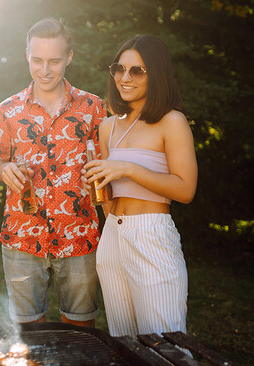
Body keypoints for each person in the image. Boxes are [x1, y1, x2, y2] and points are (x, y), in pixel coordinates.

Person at [0, 18, 106, 327]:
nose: (45, 69)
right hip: (22, 237)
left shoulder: (94, 109)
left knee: (81, 332)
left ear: (69, 57)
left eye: (54, 60)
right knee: (28, 338)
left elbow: (107, 167)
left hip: (79, 237)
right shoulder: (7, 111)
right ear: (27, 55)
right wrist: (5, 169)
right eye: (37, 60)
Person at [83, 34, 197, 337]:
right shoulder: (107, 127)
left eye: (137, 70)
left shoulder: (172, 121)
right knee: (125, 343)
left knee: (164, 343)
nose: (125, 77)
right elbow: (107, 200)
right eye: (119, 69)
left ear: (156, 74)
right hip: (112, 237)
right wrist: (97, 185)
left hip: (152, 233)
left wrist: (129, 169)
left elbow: (186, 190)